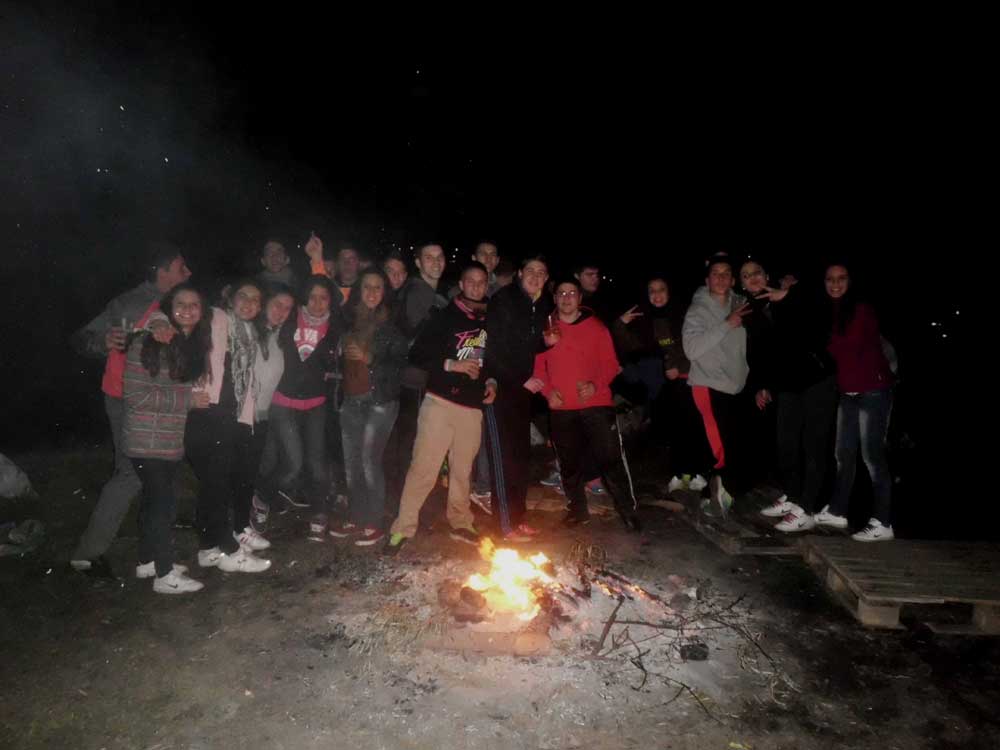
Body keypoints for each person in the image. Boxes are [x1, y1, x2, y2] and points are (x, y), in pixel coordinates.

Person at [70, 242, 192, 577]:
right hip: (126, 398)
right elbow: (82, 338)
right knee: (130, 473)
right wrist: (102, 342)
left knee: (159, 471)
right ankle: (87, 553)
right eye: (182, 267)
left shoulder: (176, 304)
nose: (189, 273)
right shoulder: (128, 303)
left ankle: (152, 553)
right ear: (162, 270)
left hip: (161, 398)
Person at [384, 264, 496, 555]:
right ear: (461, 283)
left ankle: (460, 521)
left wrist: (492, 381)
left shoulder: (488, 320)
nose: (475, 286)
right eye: (470, 281)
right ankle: (402, 528)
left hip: (472, 408)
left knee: (462, 471)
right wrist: (451, 364)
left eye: (481, 282)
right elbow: (417, 354)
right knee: (424, 468)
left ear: (486, 285)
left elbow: (492, 360)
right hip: (440, 403)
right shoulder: (443, 317)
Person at [532, 278, 640, 531]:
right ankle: (577, 510)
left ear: (580, 298)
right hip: (561, 408)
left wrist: (595, 385)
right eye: (561, 293)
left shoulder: (597, 328)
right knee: (568, 464)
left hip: (596, 405)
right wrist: (548, 393)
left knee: (610, 460)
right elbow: (538, 369)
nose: (567, 297)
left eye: (572, 293)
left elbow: (612, 365)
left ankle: (628, 511)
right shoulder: (548, 330)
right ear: (555, 298)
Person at [124, 283, 212, 593]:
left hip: (170, 440)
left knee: (154, 502)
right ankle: (164, 576)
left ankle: (148, 561)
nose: (187, 309)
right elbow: (135, 395)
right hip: (146, 441)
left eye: (195, 305)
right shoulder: (148, 343)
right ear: (167, 308)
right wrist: (188, 400)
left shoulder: (189, 345)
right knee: (163, 506)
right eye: (180, 304)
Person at [817, 263, 896, 542]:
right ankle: (838, 511)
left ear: (851, 282)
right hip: (848, 393)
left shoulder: (860, 309)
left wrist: (820, 339)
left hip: (873, 391)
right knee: (843, 456)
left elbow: (847, 346)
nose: (835, 284)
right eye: (830, 279)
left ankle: (883, 522)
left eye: (841, 279)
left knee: (872, 458)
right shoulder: (834, 310)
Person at [328, 270, 407, 546]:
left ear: (384, 292)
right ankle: (358, 517)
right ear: (358, 291)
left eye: (378, 287)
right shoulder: (348, 322)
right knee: (351, 464)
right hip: (351, 400)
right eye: (367, 287)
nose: (372, 292)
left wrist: (370, 357)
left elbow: (400, 366)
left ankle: (374, 522)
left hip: (380, 401)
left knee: (368, 461)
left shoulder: (391, 326)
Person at [682, 253, 750, 515]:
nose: (720, 278)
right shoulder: (698, 309)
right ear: (707, 279)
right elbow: (691, 349)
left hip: (737, 387)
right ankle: (719, 495)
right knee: (721, 448)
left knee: (733, 444)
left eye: (725, 274)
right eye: (715, 274)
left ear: (733, 279)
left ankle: (712, 495)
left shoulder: (742, 303)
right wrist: (726, 324)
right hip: (707, 385)